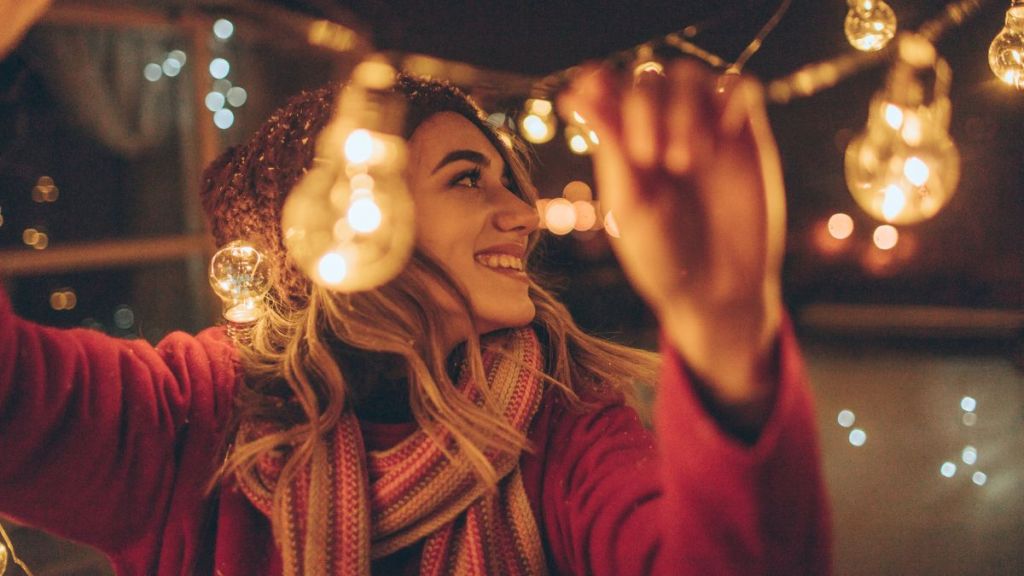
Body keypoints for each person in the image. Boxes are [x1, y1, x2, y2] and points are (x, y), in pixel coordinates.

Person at [0, 62, 830, 575]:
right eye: (470, 178)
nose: (525, 214)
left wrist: (725, 324)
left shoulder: (565, 425)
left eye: (510, 179)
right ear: (339, 214)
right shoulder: (192, 417)